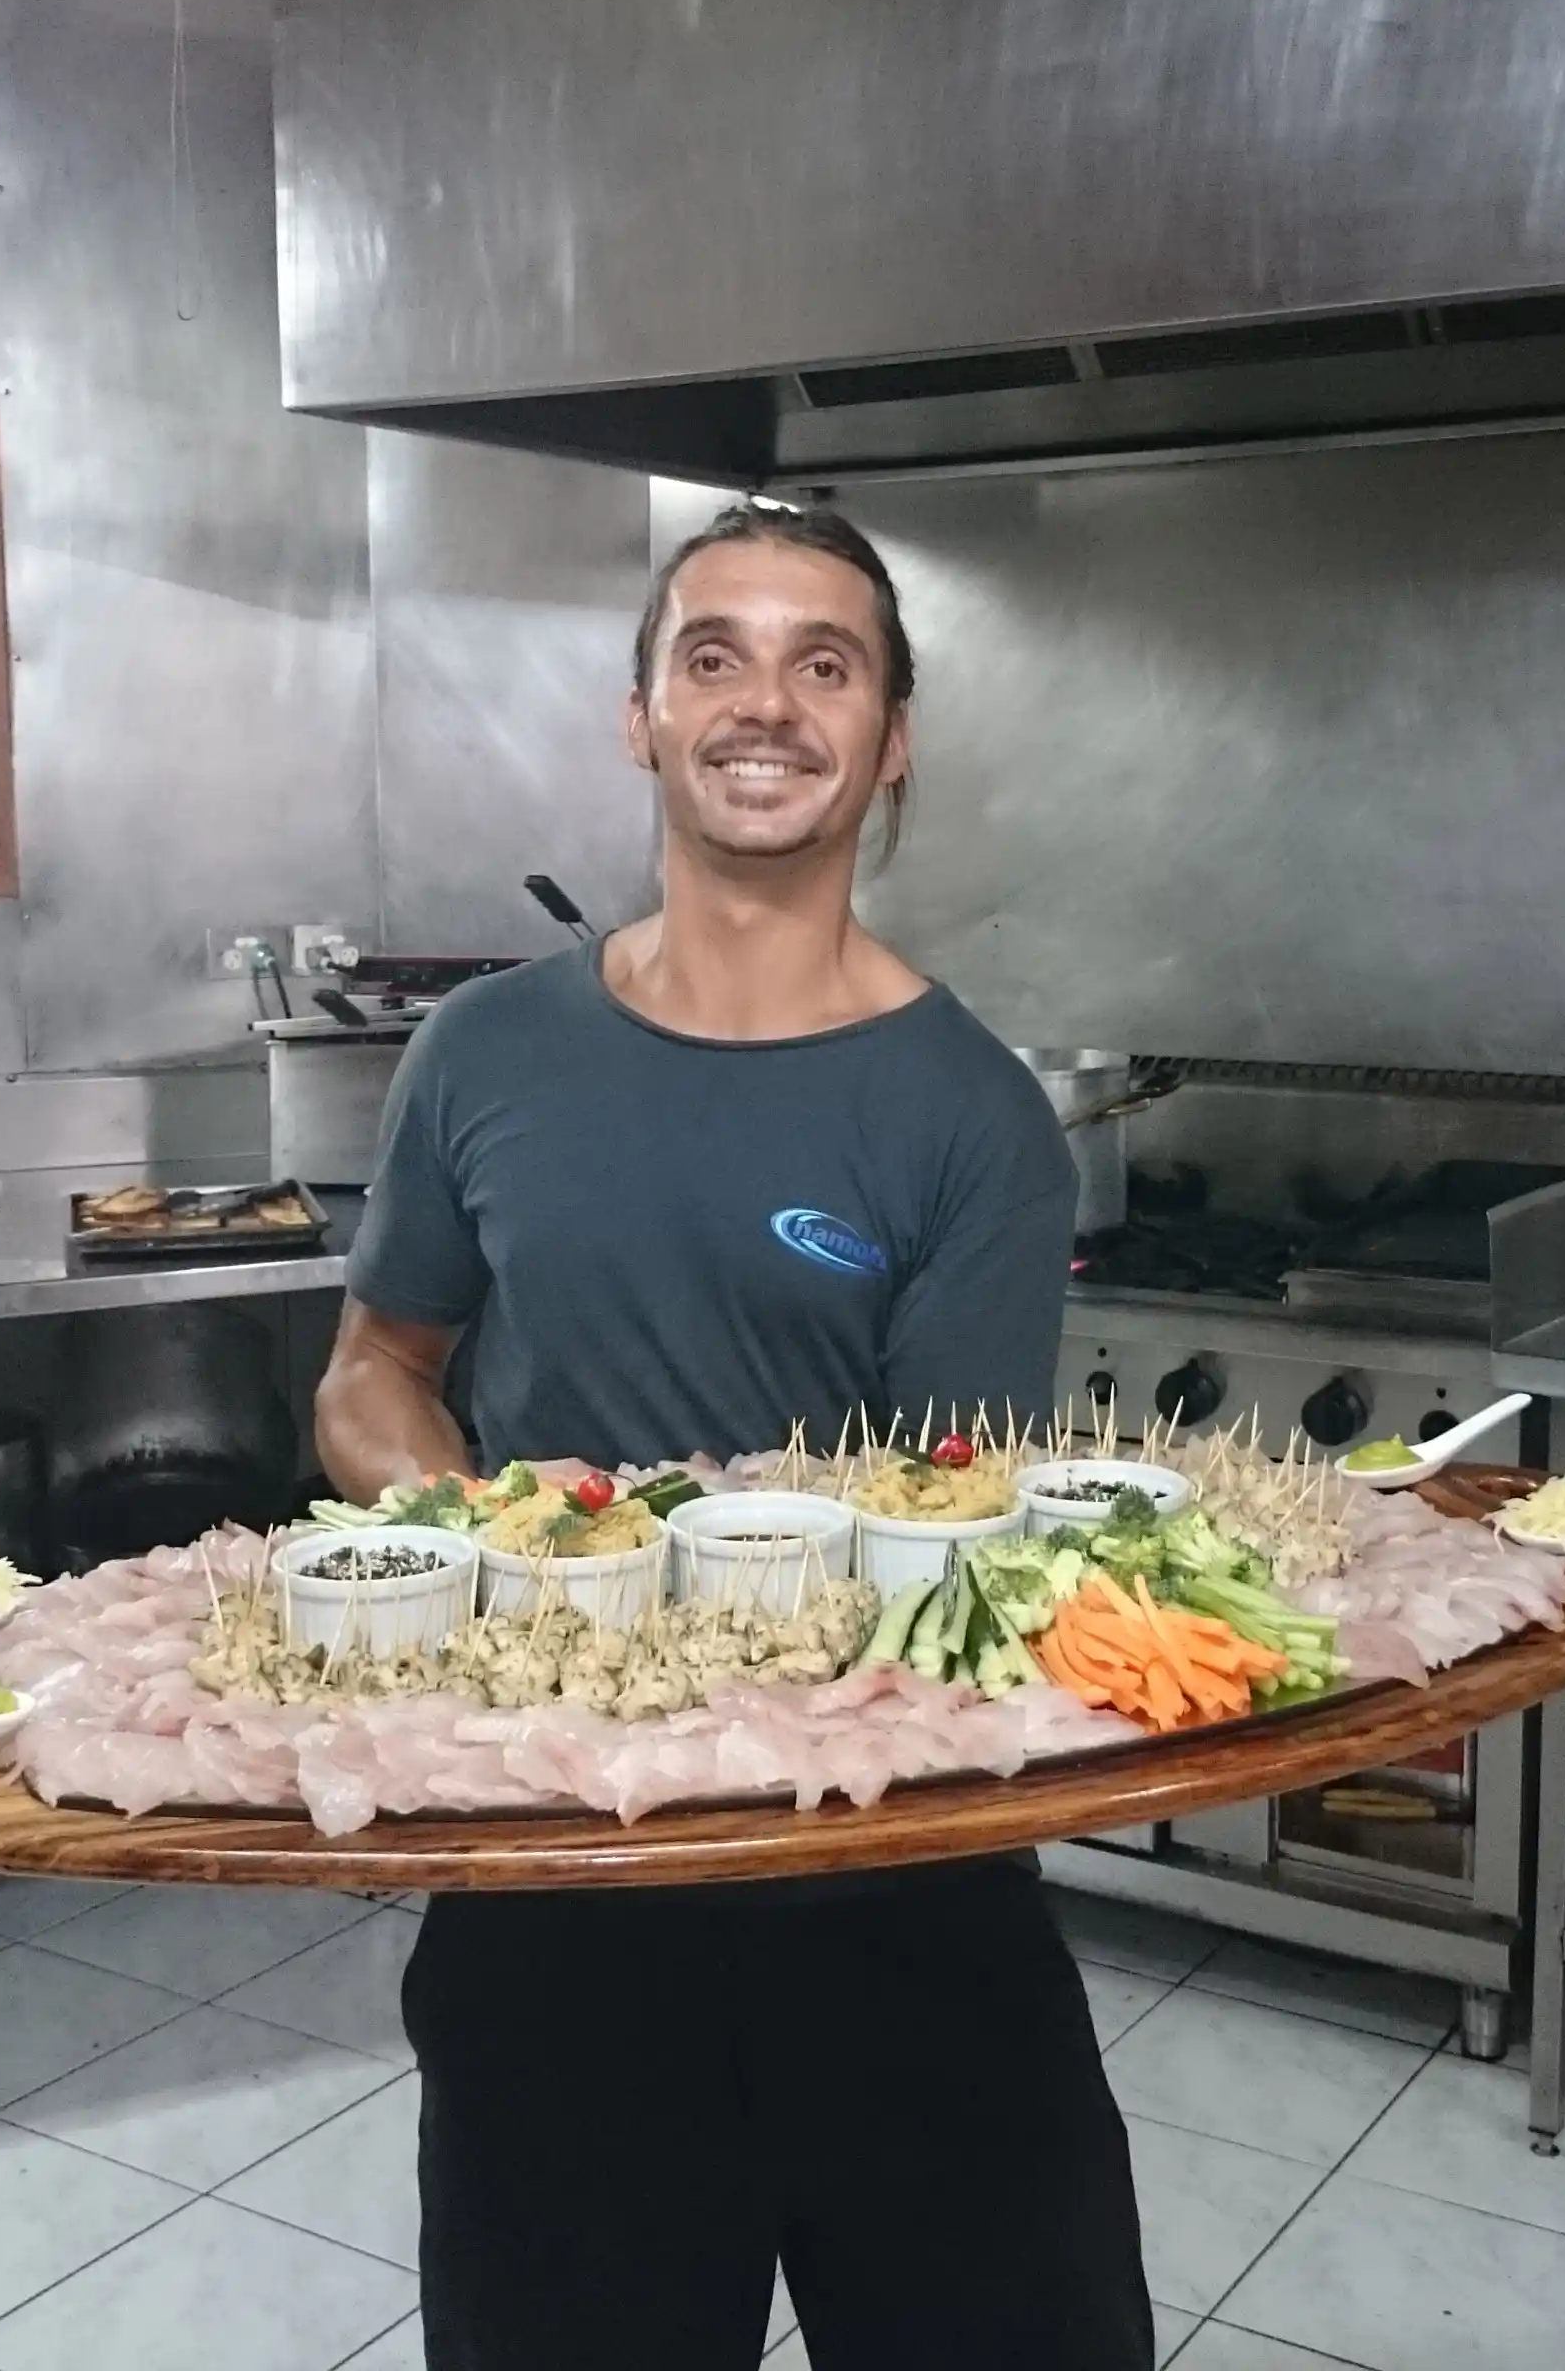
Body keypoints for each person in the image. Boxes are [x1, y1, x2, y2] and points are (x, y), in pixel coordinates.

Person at [315, 500, 1150, 2371]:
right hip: (555, 1891)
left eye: (824, 663)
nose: (763, 705)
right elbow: (374, 1367)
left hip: (897, 1902)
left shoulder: (972, 1120)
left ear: (893, 736)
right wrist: (500, 1539)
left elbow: (950, 1541)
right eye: (715, 656)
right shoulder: (486, 1056)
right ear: (641, 717)